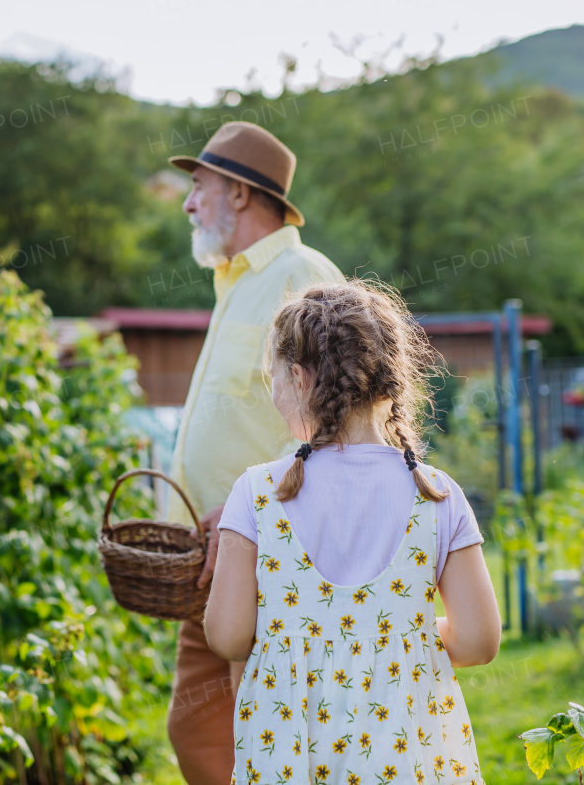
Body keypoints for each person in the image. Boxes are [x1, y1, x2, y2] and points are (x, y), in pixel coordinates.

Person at [203, 280, 502, 785]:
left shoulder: (259, 493)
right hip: (406, 757)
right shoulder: (436, 494)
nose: (273, 393)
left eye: (271, 378)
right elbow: (477, 641)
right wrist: (393, 640)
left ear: (298, 378)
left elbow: (229, 635)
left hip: (291, 754)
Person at [165, 122, 342, 785]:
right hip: (217, 556)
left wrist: (253, 514)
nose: (189, 203)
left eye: (198, 186)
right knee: (207, 727)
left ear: (238, 193)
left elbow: (334, 428)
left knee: (259, 729)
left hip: (269, 555)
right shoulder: (236, 281)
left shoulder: (304, 277)